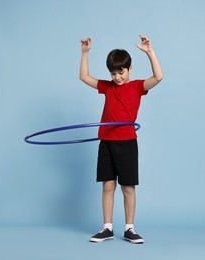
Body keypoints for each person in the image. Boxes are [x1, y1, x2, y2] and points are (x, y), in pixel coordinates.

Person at [79, 35, 163, 244]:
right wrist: (85, 53)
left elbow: (159, 77)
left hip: (127, 143)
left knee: (128, 187)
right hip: (106, 141)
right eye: (113, 73)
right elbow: (84, 77)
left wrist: (150, 52)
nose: (117, 77)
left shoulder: (137, 87)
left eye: (121, 72)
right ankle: (107, 228)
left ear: (130, 69)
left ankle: (129, 229)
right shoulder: (107, 87)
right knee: (108, 185)